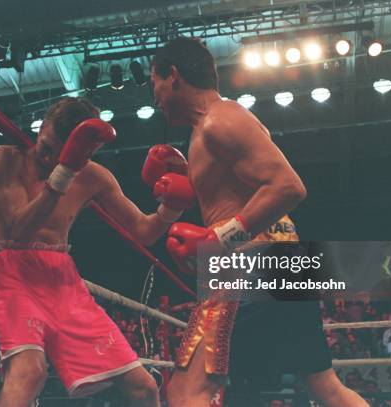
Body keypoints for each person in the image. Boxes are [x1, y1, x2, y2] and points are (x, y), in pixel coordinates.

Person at [150, 37, 369, 406]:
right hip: (277, 261)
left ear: (173, 76)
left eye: (153, 81)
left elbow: (288, 186)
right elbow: (240, 185)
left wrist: (221, 236)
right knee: (325, 387)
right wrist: (185, 171)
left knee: (188, 391)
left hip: (250, 266)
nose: (153, 94)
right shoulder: (212, 126)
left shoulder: (220, 119)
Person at [0, 97, 195, 407]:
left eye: (62, 155)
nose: (50, 160)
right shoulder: (5, 160)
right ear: (41, 127)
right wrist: (65, 170)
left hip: (62, 281)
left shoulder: (93, 175)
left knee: (144, 388)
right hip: (12, 273)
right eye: (47, 149)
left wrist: (172, 206)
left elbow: (144, 231)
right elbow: (18, 231)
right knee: (29, 375)